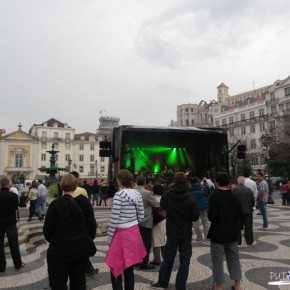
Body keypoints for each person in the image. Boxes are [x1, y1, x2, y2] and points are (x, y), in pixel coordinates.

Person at [43, 173, 97, 290]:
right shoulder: (85, 202)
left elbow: (47, 230)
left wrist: (56, 240)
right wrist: (85, 238)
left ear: (62, 185)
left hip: (58, 249)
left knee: (58, 284)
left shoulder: (55, 204)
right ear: (76, 184)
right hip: (80, 248)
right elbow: (92, 226)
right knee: (78, 282)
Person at [150, 172, 199, 290]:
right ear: (186, 182)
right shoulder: (190, 197)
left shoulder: (167, 194)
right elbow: (195, 217)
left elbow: (162, 206)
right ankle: (180, 286)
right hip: (185, 233)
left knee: (168, 259)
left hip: (172, 231)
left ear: (174, 181)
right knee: (185, 261)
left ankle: (162, 283)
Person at [105, 169, 146, 290]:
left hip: (120, 235)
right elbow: (142, 216)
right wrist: (132, 222)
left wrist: (109, 238)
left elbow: (114, 219)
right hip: (133, 233)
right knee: (129, 268)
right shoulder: (137, 194)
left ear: (120, 180)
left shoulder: (119, 195)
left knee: (115, 266)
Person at [207, 172, 243, 290]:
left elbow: (211, 216)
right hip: (232, 233)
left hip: (218, 233)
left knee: (217, 260)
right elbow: (240, 214)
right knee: (234, 259)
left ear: (216, 182)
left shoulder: (214, 196)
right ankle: (237, 285)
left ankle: (218, 286)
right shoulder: (234, 196)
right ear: (228, 182)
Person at [0, 177, 25, 272]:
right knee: (14, 244)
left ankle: (1, 266)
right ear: (8, 184)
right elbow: (15, 207)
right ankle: (18, 264)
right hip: (10, 222)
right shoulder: (13, 196)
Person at [136, 175, 160, 270]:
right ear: (145, 182)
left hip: (134, 221)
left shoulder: (133, 192)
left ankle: (136, 261)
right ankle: (144, 263)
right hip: (146, 221)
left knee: (137, 242)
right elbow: (156, 205)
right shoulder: (147, 193)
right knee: (146, 243)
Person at [232, 176, 255, 245]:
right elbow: (253, 200)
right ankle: (249, 240)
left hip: (237, 212)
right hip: (248, 211)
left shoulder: (234, 190)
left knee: (237, 227)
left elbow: (232, 201)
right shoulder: (249, 190)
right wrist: (251, 206)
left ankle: (238, 241)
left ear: (238, 181)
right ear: (244, 181)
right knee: (248, 227)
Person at [190, 176, 210, 242]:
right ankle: (207, 237)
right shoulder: (203, 187)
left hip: (194, 208)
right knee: (205, 221)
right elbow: (207, 195)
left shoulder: (190, 189)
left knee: (195, 222)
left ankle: (199, 237)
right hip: (203, 207)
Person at [151, 182, 166, 265]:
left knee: (156, 239)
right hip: (165, 220)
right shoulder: (165, 198)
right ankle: (165, 258)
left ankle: (157, 259)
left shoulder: (153, 199)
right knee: (164, 239)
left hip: (157, 221)